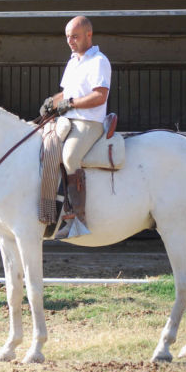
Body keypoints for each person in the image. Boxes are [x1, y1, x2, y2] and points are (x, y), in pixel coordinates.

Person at [39, 16, 111, 238]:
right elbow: (67, 92)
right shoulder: (73, 62)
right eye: (68, 37)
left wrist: (69, 104)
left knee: (69, 157)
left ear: (89, 35)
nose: (70, 41)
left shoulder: (99, 61)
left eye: (75, 36)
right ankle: (48, 210)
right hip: (68, 120)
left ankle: (77, 218)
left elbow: (100, 96)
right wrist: (51, 102)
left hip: (89, 122)